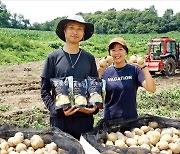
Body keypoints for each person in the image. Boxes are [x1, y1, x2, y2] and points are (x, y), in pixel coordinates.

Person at [40, 15, 99, 140]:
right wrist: (57, 111)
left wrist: (93, 109)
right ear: (64, 31)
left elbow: (94, 88)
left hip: (84, 120)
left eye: (79, 28)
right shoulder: (53, 57)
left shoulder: (89, 58)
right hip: (60, 121)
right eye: (71, 28)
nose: (75, 32)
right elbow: (44, 91)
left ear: (83, 34)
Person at [98, 37, 156, 120]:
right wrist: (100, 71)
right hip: (110, 120)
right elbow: (95, 94)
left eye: (120, 49)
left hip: (130, 119)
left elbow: (152, 89)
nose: (117, 53)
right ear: (109, 53)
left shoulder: (134, 70)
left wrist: (144, 67)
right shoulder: (105, 72)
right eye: (113, 50)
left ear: (126, 52)